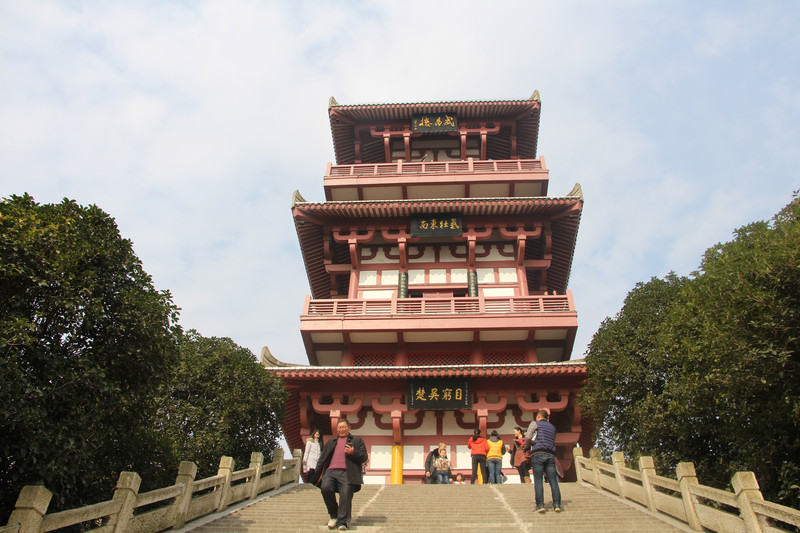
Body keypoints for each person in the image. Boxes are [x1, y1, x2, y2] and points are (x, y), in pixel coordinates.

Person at [307, 419, 368, 531]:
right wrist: (316, 474)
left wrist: (353, 452)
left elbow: (364, 457)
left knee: (345, 495)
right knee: (325, 488)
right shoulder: (331, 442)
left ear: (349, 428)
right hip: (331, 472)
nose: (341, 429)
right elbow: (322, 458)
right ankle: (334, 515)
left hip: (347, 473)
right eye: (339, 427)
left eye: (344, 427)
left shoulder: (357, 440)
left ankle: (342, 522)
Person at [525, 410, 562, 513]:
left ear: (538, 416)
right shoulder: (552, 427)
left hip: (538, 453)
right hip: (550, 454)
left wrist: (526, 447)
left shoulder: (535, 423)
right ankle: (557, 504)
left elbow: (528, 437)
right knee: (553, 480)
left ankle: (540, 505)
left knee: (538, 480)